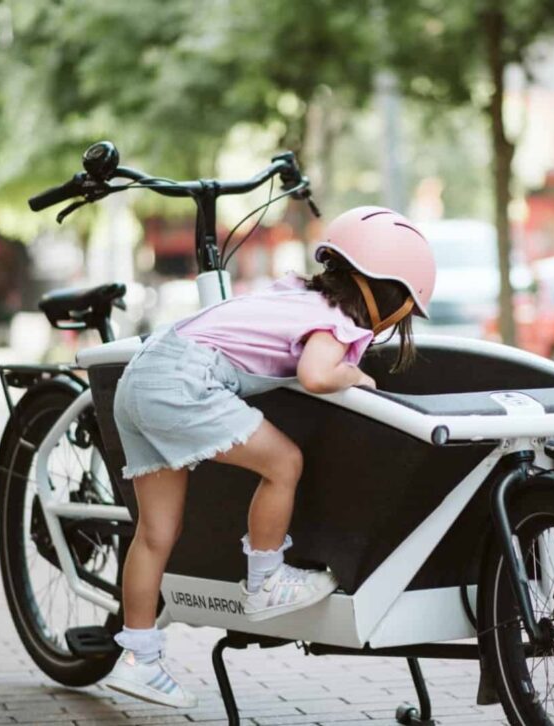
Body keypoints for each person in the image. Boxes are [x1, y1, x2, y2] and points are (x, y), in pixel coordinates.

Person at [102, 206, 437, 709]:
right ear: (393, 299)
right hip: (185, 379)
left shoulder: (297, 293)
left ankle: (138, 660)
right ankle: (266, 581)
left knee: (154, 534)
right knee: (284, 463)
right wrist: (356, 375)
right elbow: (318, 375)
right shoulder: (338, 321)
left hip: (142, 375)